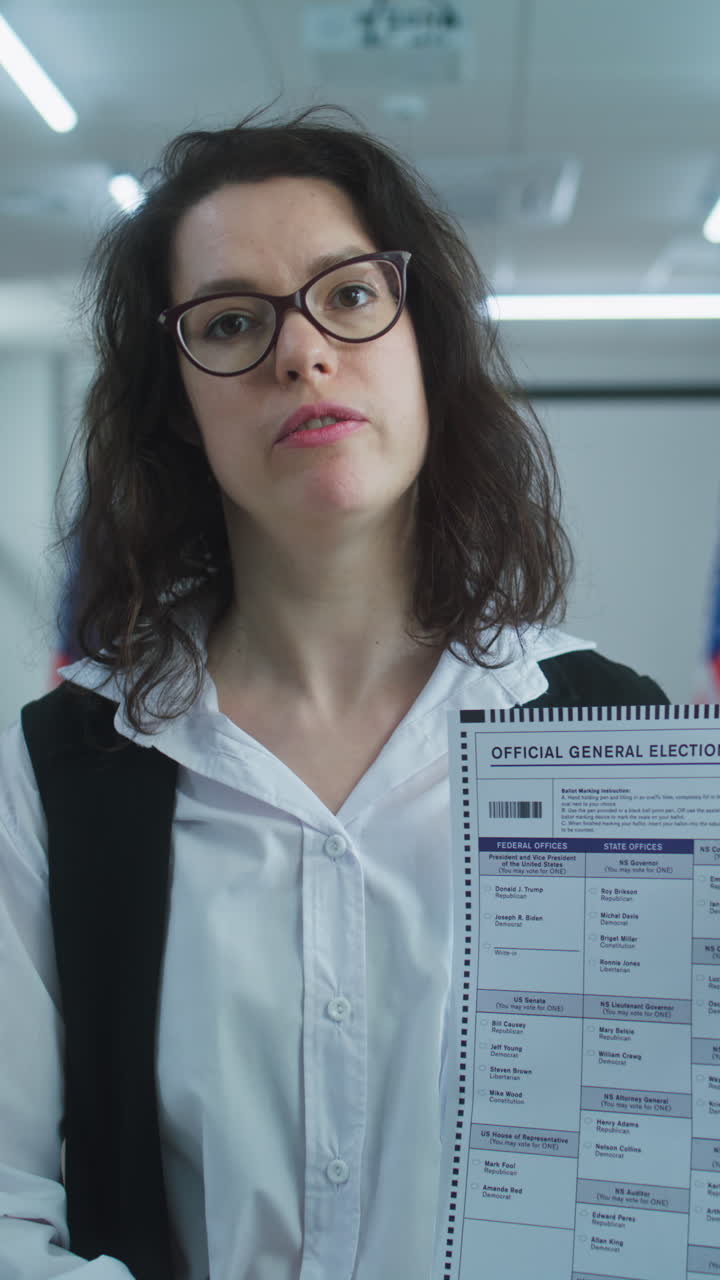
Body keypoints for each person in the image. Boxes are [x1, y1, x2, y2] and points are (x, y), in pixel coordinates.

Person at [0, 105, 667, 1280]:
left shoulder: (604, 731)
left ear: (426, 343)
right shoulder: (60, 767)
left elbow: (654, 1185)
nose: (301, 353)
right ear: (179, 407)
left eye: (349, 296)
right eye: (232, 322)